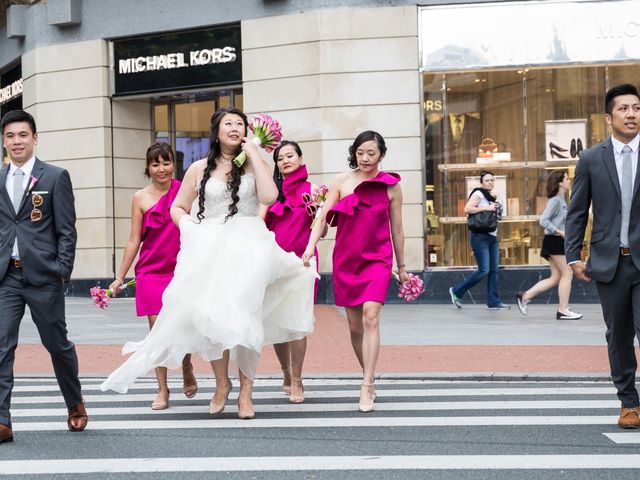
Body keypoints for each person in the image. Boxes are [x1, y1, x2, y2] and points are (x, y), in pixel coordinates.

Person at [101, 107, 317, 420]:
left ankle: (246, 391)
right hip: (211, 245)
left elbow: (269, 197)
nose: (235, 128)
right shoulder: (199, 168)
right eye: (228, 123)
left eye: (240, 124)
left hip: (249, 244)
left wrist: (254, 154)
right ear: (216, 131)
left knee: (247, 316)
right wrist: (189, 227)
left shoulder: (256, 165)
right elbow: (178, 207)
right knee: (212, 315)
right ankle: (221, 384)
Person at [302, 131, 408, 413]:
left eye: (371, 153)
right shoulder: (341, 181)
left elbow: (397, 229)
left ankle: (366, 384)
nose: (365, 158)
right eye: (361, 153)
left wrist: (402, 267)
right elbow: (322, 216)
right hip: (347, 260)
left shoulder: (392, 187)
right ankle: (369, 375)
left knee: (371, 317)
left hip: (378, 260)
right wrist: (311, 246)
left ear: (381, 155)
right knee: (354, 326)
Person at [0, 110, 88, 444]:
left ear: (34, 138)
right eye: (10, 136)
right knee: (2, 346)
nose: (16, 141)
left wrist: (62, 271)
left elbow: (67, 230)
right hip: (6, 278)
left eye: (22, 135)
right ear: (4, 141)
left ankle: (75, 403)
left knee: (57, 344)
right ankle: (2, 421)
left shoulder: (54, 177)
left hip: (43, 276)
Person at [565, 83, 640, 429]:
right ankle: (628, 402)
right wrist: (572, 255)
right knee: (618, 334)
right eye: (624, 109)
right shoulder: (592, 159)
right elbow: (577, 211)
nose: (631, 114)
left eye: (636, 108)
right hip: (610, 262)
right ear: (609, 118)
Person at [108, 142, 197, 410]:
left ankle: (186, 364)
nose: (161, 169)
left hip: (181, 268)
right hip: (150, 271)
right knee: (158, 331)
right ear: (147, 167)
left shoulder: (186, 191)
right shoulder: (140, 198)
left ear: (174, 164)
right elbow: (134, 240)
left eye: (166, 162)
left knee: (181, 325)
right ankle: (162, 389)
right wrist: (119, 277)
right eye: (155, 164)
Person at [261, 140, 327, 404]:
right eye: (280, 158)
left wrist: (315, 215)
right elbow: (260, 226)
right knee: (279, 321)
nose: (285, 161)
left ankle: (298, 379)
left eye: (290, 156)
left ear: (300, 159)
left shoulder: (314, 191)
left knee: (298, 323)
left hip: (304, 263)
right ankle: (285, 371)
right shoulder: (271, 192)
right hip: (276, 263)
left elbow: (322, 230)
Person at [516, 170, 582, 320]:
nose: (569, 180)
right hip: (554, 241)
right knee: (568, 273)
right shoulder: (555, 201)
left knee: (556, 277)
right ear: (559, 182)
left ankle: (524, 296)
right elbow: (543, 221)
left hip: (556, 241)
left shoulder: (561, 199)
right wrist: (560, 232)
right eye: (566, 178)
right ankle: (563, 309)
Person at [448, 171, 509, 310]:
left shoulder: (492, 197)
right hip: (479, 237)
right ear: (482, 182)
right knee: (484, 270)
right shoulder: (479, 194)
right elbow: (467, 209)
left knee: (494, 270)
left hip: (492, 237)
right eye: (487, 180)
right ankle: (457, 291)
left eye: (492, 180)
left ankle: (494, 301)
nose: (490, 182)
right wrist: (487, 207)